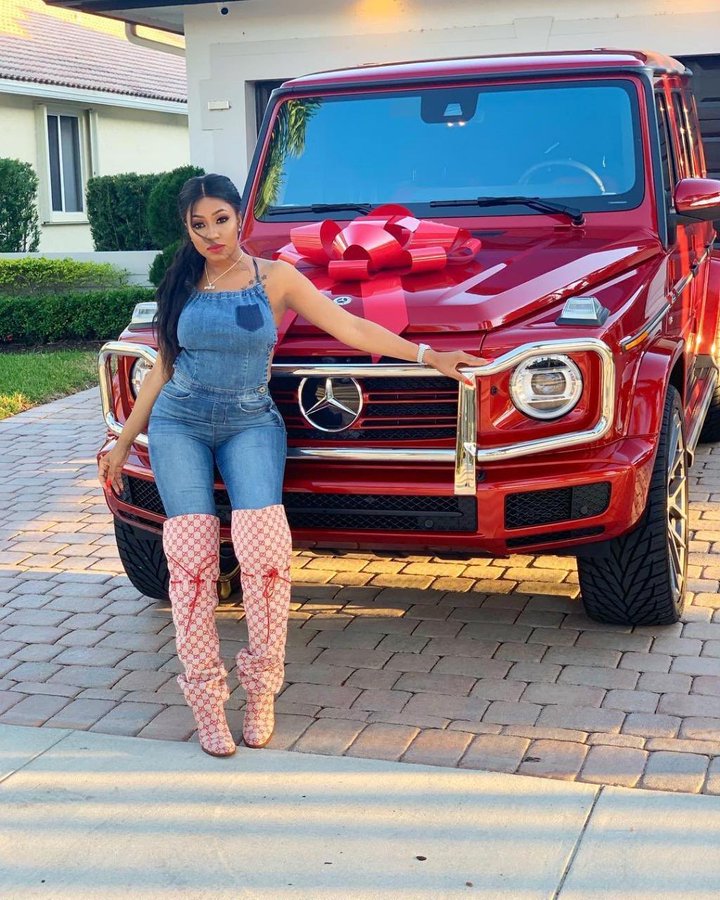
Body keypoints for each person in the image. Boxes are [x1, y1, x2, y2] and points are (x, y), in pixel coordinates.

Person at [97, 173, 480, 758]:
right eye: (198, 225)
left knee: (266, 555)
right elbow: (163, 366)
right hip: (180, 423)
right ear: (187, 229)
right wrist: (125, 441)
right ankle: (206, 700)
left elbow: (350, 327)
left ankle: (261, 690)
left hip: (250, 420)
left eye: (220, 220)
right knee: (192, 561)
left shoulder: (274, 277)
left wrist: (430, 355)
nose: (211, 234)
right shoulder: (180, 280)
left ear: (239, 217)